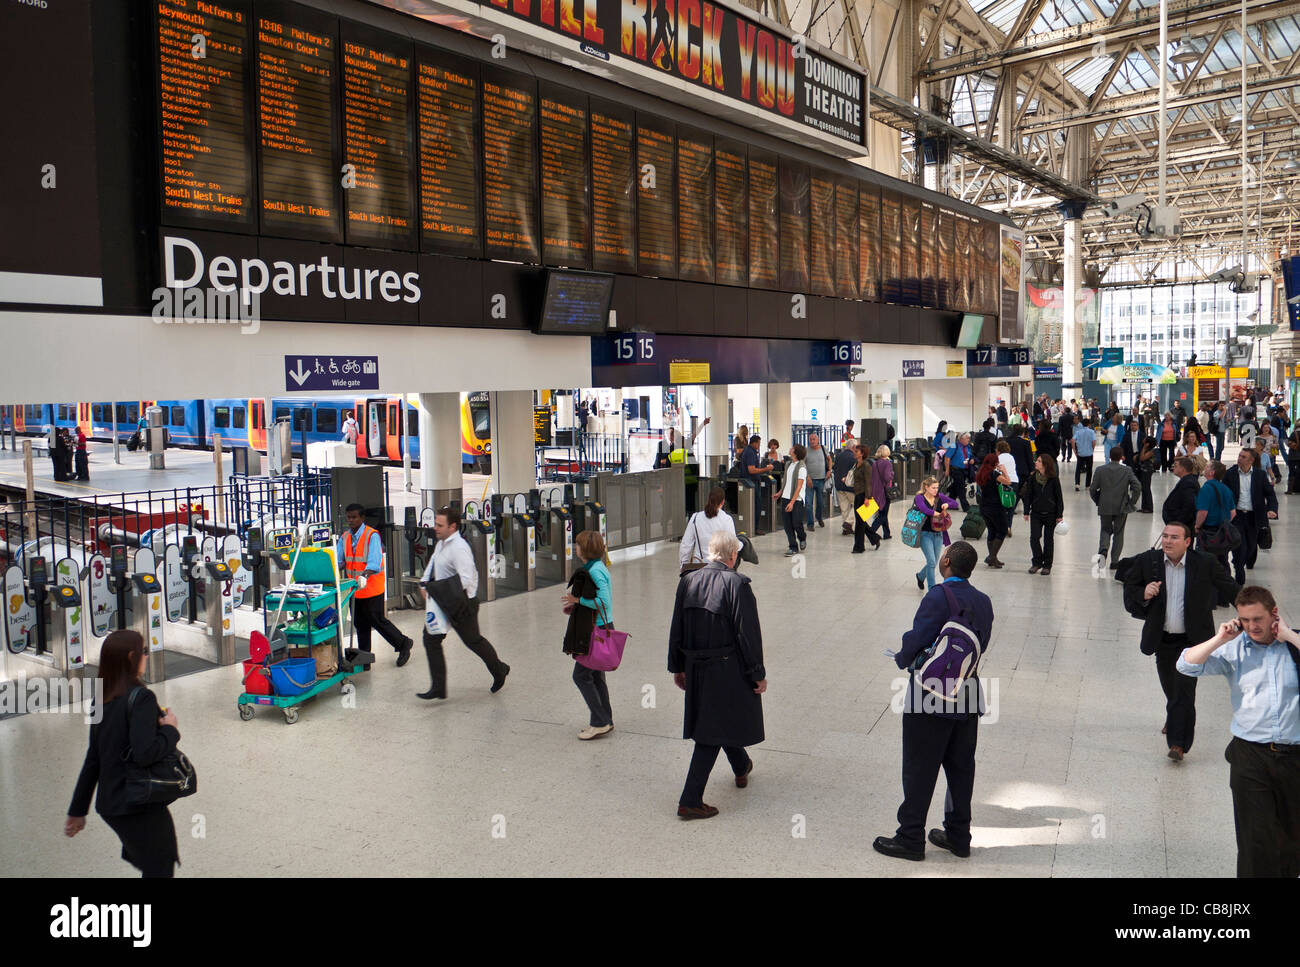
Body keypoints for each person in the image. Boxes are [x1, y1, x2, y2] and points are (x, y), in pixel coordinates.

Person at [873, 541, 993, 862]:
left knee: (919, 767)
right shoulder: (983, 601)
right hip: (968, 693)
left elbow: (917, 639)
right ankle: (958, 836)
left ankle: (910, 838)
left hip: (931, 695)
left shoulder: (938, 596)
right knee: (960, 767)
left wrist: (902, 657)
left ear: (947, 561)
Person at [1176, 585, 1300, 876]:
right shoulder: (1234, 650)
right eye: (1245, 620)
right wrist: (1220, 638)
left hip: (1294, 757)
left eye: (1257, 619)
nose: (1251, 627)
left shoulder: (1293, 644)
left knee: (1291, 837)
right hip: (1250, 756)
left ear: (1274, 615)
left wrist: (1290, 637)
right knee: (1255, 839)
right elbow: (1186, 665)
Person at [66, 630, 182, 877]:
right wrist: (170, 730)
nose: (147, 657)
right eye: (144, 652)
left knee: (151, 861)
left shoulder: (101, 699)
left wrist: (78, 809)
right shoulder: (142, 698)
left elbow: (93, 757)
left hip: (111, 804)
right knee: (160, 865)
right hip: (138, 802)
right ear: (132, 657)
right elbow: (145, 754)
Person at [668, 530, 766, 820]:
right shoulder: (737, 585)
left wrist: (678, 666)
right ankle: (690, 799)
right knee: (710, 732)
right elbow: (747, 634)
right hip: (727, 668)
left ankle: (741, 765)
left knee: (716, 718)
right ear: (734, 556)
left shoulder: (688, 581)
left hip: (696, 667)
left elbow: (677, 627)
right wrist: (757, 673)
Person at [1122, 522, 1239, 762]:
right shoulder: (1149, 561)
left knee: (1184, 691)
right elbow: (1129, 588)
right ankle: (1174, 715)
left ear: (1188, 541)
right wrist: (1143, 593)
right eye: (1164, 536)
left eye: (1174, 537)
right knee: (1171, 689)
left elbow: (1230, 589)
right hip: (1162, 639)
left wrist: (1256, 611)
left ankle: (1178, 744)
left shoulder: (1204, 563)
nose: (1167, 541)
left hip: (1192, 642)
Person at [418, 506, 509, 698]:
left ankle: (499, 669)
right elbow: (433, 563)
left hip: (461, 604)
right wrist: (424, 583)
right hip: (443, 601)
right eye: (435, 524)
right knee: (430, 639)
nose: (435, 528)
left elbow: (467, 579)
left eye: (440, 525)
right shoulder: (441, 543)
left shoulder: (459, 548)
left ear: (453, 526)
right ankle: (438, 688)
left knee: (473, 641)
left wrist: (444, 593)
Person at [338, 503, 414, 666]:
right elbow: (340, 560)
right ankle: (365, 658)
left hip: (371, 588)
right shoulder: (345, 537)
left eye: (354, 517)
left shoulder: (371, 536)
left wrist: (365, 575)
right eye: (348, 517)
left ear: (362, 518)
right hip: (355, 589)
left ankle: (403, 643)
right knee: (360, 624)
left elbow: (374, 562)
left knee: (377, 620)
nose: (350, 520)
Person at [562, 530, 615, 739]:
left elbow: (603, 601)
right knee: (595, 675)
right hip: (601, 626)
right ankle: (605, 719)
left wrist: (578, 602)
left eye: (577, 544)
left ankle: (600, 721)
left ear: (585, 549)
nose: (575, 547)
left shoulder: (594, 571)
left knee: (581, 675)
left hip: (596, 629)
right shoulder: (597, 567)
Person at [1222, 448, 1279, 586]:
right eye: (1239, 456)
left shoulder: (1260, 475)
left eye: (1243, 456)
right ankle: (1239, 574)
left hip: (1255, 516)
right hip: (1237, 516)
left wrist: (1272, 509)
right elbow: (1223, 493)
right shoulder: (1230, 474)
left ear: (1251, 460)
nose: (1239, 458)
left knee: (1251, 546)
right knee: (1239, 546)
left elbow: (1270, 494)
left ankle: (1245, 560)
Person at [1090, 447, 1141, 570]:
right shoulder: (1127, 470)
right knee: (1119, 533)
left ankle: (1103, 552)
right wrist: (1131, 502)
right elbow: (1137, 486)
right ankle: (1114, 562)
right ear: (1121, 457)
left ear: (1109, 456)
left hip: (1105, 505)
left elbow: (1093, 489)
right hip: (1121, 506)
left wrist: (1098, 500)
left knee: (1105, 530)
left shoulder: (1100, 470)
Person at [912, 476, 959, 590]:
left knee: (933, 562)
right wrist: (939, 514)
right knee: (932, 562)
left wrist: (948, 505)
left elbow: (955, 504)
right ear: (926, 487)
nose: (936, 490)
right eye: (933, 488)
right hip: (925, 534)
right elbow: (925, 510)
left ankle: (920, 576)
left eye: (937, 488)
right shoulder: (919, 498)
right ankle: (932, 589)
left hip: (938, 534)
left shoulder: (940, 497)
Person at [1021, 452, 1064, 575]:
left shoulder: (1054, 479)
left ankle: (1047, 565)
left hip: (1051, 513)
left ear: (1045, 464)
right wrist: (1026, 511)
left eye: (1039, 461)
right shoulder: (1032, 478)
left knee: (1048, 540)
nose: (1036, 462)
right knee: (1034, 537)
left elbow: (1059, 498)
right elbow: (1028, 495)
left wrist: (1059, 515)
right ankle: (1036, 562)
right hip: (1036, 513)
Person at [680, 486, 736, 571]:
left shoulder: (695, 517)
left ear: (708, 500)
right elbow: (733, 546)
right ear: (723, 502)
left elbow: (686, 544)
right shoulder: (726, 519)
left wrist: (683, 565)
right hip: (720, 568)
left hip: (699, 567)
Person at [974, 453, 1011, 568]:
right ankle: (991, 557)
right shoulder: (994, 474)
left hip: (984, 506)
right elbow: (1008, 482)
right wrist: (1004, 470)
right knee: (1002, 530)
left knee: (992, 531)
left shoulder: (981, 473)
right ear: (995, 463)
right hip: (995, 506)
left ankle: (993, 559)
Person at [849, 444, 879, 553]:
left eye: (856, 452)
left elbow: (868, 483)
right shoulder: (856, 464)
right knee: (860, 521)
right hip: (857, 494)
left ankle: (859, 547)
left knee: (859, 523)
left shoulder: (866, 465)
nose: (854, 453)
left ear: (862, 454)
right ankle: (874, 538)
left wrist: (867, 497)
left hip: (863, 495)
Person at [779, 443, 808, 557]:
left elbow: (799, 486)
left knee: (796, 523)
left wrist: (792, 502)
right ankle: (793, 546)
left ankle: (802, 537)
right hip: (786, 497)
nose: (790, 450)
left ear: (795, 453)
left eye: (792, 449)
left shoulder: (801, 467)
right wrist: (780, 492)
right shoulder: (788, 464)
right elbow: (786, 481)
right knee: (787, 525)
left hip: (797, 500)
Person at [1161, 456, 1200, 532]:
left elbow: (1190, 505)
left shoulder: (1188, 483)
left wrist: (1179, 522)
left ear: (1183, 469)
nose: (1173, 468)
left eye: (1175, 466)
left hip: (1182, 527)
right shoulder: (1186, 481)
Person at [803, 432, 831, 531]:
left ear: (818, 440)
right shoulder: (806, 451)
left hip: (821, 480)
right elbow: (803, 464)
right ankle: (810, 523)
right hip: (810, 481)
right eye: (810, 439)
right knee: (808, 503)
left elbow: (829, 459)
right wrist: (807, 477)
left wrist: (829, 470)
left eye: (814, 439)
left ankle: (819, 517)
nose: (812, 441)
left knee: (820, 503)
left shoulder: (824, 449)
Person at [866, 445, 894, 543]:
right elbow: (887, 477)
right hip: (884, 491)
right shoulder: (887, 463)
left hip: (876, 490)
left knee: (883, 513)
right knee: (882, 514)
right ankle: (871, 532)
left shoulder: (875, 463)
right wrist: (892, 474)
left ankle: (887, 533)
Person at [832, 434, 859, 535]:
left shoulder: (839, 456)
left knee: (844, 508)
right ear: (853, 447)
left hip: (839, 485)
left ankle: (846, 529)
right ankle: (848, 523)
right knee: (858, 505)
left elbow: (835, 469)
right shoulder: (854, 457)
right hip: (850, 486)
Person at [944, 432, 973, 512]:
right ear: (961, 439)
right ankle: (966, 507)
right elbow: (947, 458)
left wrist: (972, 460)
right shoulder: (954, 446)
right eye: (967, 438)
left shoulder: (968, 447)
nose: (968, 440)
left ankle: (950, 503)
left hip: (964, 470)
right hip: (955, 469)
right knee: (961, 488)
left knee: (955, 487)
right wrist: (947, 470)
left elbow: (970, 456)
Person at [995, 440, 1018, 536]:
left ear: (998, 450)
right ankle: (1008, 526)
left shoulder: (999, 458)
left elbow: (997, 471)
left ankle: (1001, 527)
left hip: (1004, 481)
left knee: (1002, 504)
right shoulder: (1011, 457)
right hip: (1015, 481)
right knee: (1011, 505)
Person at [1072, 418, 1096, 492]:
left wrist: (1074, 450)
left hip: (1080, 453)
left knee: (1078, 469)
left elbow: (1073, 441)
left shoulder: (1078, 432)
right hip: (1089, 453)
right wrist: (1092, 449)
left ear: (1082, 424)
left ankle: (1077, 484)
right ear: (1089, 424)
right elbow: (1094, 442)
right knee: (1089, 469)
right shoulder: (1092, 432)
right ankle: (1087, 485)